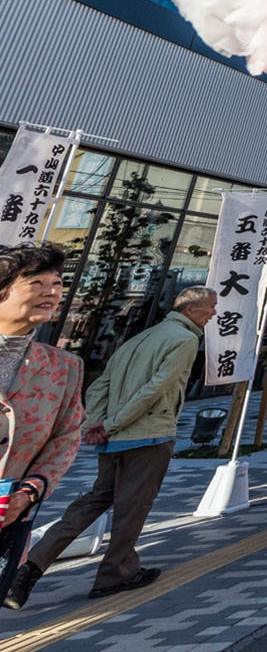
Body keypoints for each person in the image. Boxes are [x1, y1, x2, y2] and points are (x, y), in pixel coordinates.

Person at [10, 286, 216, 607]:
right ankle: (115, 575)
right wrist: (110, 424)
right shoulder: (185, 340)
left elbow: (101, 385)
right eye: (210, 308)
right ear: (190, 310)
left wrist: (98, 423)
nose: (214, 314)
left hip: (114, 439)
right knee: (132, 509)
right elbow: (156, 389)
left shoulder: (140, 338)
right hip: (147, 435)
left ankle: (28, 569)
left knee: (92, 501)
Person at [0, 245, 83, 601]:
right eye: (36, 282)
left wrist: (29, 491)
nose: (51, 291)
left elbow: (65, 438)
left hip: (9, 516)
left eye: (57, 282)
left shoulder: (64, 366)